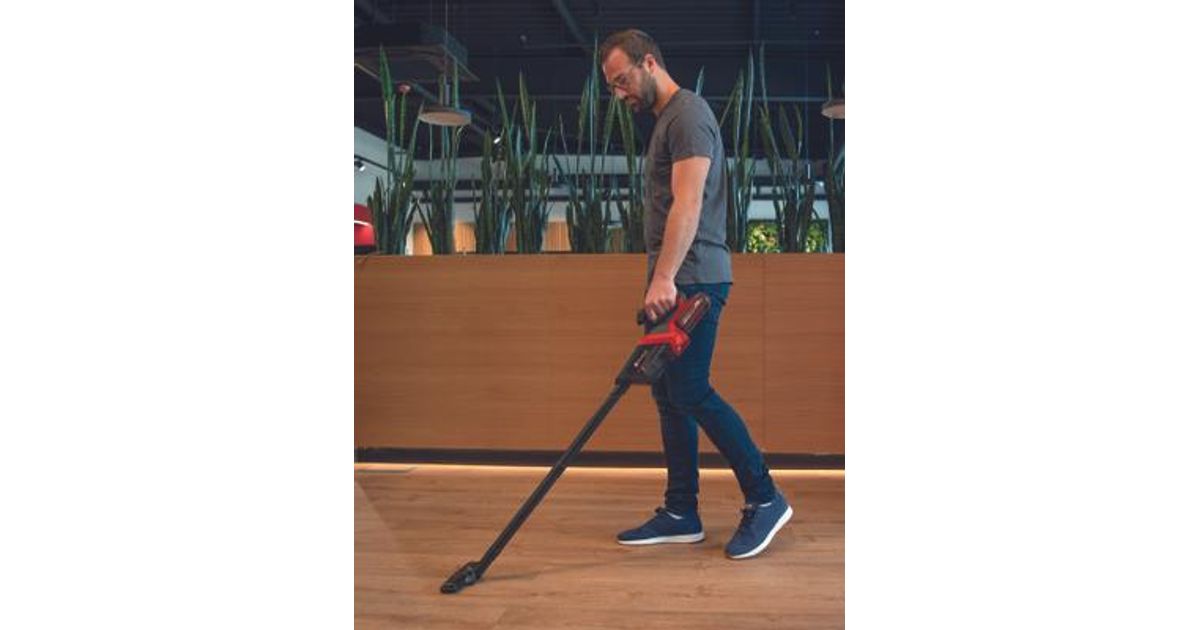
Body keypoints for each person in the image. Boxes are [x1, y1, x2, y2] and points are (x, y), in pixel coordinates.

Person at [598, 29, 793, 560]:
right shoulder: (669, 120)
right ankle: (681, 511)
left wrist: (665, 278)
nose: (618, 94)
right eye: (611, 87)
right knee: (668, 395)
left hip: (694, 278)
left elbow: (688, 203)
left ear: (649, 62)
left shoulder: (687, 115)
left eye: (622, 80)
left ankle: (765, 496)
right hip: (675, 278)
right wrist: (659, 279)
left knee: (689, 390)